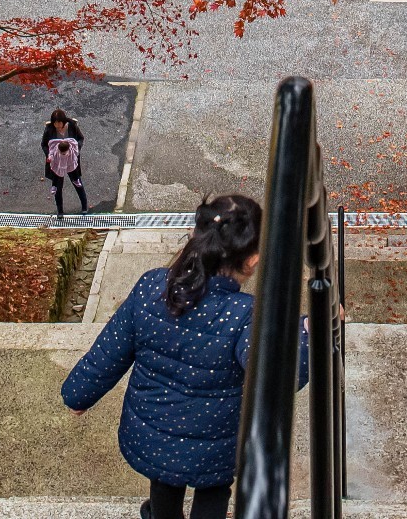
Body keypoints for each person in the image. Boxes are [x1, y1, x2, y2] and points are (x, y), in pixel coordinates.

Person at [63, 195, 308, 519]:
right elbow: (278, 377)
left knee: (163, 485)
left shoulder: (152, 286)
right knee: (214, 491)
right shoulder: (244, 316)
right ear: (252, 260)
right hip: (217, 442)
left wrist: (78, 395)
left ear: (197, 237)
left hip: (154, 431)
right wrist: (307, 334)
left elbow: (110, 350)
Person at [43, 108, 89, 217]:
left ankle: (84, 206)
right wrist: (50, 155)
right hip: (57, 161)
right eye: (55, 123)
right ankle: (60, 211)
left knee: (77, 182)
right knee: (58, 186)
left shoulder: (72, 126)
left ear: (64, 121)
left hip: (70, 160)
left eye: (59, 123)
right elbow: (44, 144)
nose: (58, 126)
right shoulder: (49, 129)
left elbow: (80, 139)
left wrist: (75, 150)